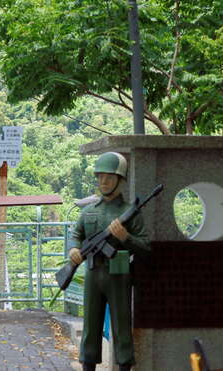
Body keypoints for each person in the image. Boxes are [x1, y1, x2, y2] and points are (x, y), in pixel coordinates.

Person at [68, 152, 151, 371]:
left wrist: (126, 237)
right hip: (94, 273)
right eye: (100, 176)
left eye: (110, 177)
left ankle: (124, 366)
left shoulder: (129, 213)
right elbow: (76, 234)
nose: (103, 181)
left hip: (119, 273)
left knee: (122, 326)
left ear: (120, 180)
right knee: (90, 326)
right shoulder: (88, 212)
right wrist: (74, 249)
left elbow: (146, 248)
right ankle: (88, 365)